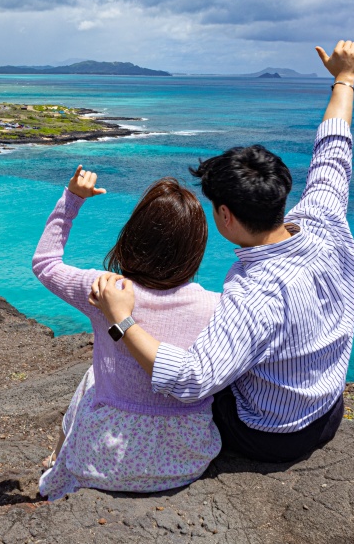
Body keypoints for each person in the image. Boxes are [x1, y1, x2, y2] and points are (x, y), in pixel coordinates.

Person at [90, 34, 354, 464]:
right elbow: (334, 148)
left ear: (225, 215)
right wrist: (345, 78)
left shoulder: (254, 293)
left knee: (181, 395)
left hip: (272, 434)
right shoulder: (323, 220)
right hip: (328, 409)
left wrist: (120, 319)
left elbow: (190, 380)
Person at [32, 165, 222, 501]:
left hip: (104, 461)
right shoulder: (217, 305)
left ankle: (58, 461)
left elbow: (45, 262)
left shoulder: (105, 291)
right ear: (195, 249)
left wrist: (72, 199)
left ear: (132, 237)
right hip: (186, 460)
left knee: (93, 378)